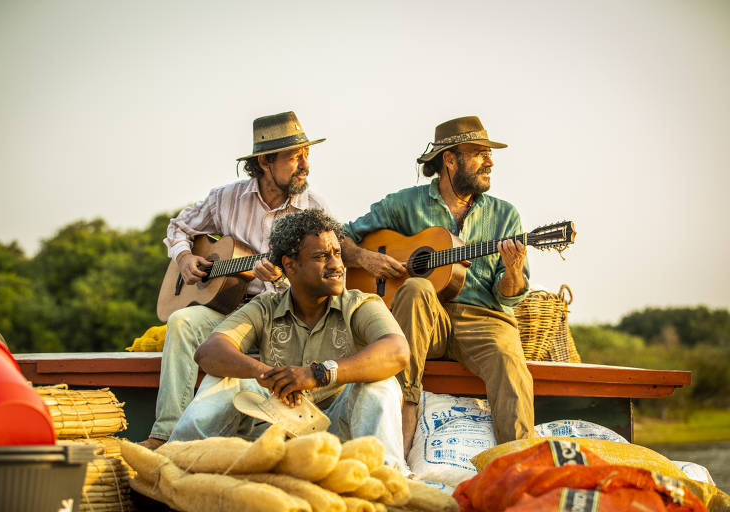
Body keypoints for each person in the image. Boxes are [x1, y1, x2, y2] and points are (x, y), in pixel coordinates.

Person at [341, 115, 534, 456]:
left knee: (509, 362)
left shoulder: (506, 216)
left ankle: (517, 466)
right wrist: (363, 258)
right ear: (450, 159)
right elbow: (338, 238)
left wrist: (513, 271)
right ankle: (404, 408)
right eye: (479, 153)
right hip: (424, 320)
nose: (490, 161)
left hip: (484, 321)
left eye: (489, 154)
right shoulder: (406, 204)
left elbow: (509, 300)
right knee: (415, 288)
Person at [141, 112, 330, 449]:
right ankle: (165, 434)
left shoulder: (313, 209)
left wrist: (283, 280)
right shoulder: (225, 197)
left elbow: (323, 275)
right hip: (225, 308)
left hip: (279, 313)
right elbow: (178, 227)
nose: (305, 165)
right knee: (182, 321)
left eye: (306, 155)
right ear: (264, 161)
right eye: (294, 157)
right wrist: (185, 258)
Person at [168, 209, 411, 471]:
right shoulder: (265, 307)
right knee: (224, 380)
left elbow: (397, 351)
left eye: (337, 253)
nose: (336, 265)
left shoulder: (360, 304)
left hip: (342, 435)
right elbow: (209, 352)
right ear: (291, 265)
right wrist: (268, 376)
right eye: (321, 256)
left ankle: (387, 476)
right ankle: (176, 464)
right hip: (277, 430)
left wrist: (317, 374)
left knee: (381, 384)